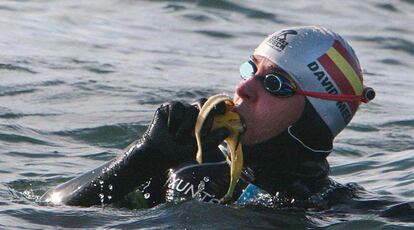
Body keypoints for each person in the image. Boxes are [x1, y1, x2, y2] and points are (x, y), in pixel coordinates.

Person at [40, 26, 375, 209]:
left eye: (275, 83)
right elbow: (50, 215)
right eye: (251, 69)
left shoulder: (326, 208)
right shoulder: (186, 162)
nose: (243, 87)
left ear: (314, 123)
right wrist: (143, 157)